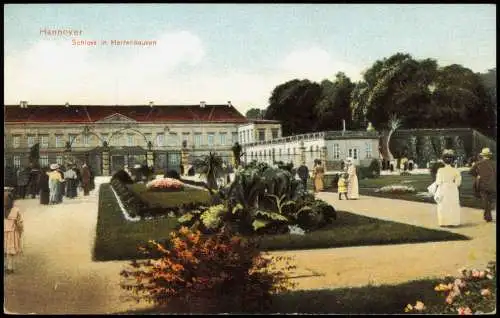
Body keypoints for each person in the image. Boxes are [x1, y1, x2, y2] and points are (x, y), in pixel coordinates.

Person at [435, 149, 462, 227]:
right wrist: (453, 185)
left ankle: (443, 222)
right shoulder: (456, 170)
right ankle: (453, 222)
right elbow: (458, 183)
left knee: (443, 205)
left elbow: (438, 181)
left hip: (443, 188)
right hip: (452, 188)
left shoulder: (440, 170)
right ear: (452, 161)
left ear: (443, 161)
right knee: (453, 205)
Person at [470, 148, 496, 223]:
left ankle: (487, 216)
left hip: (482, 185)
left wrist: (477, 175)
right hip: (492, 184)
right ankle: (488, 215)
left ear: (483, 156)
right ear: (489, 155)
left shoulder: (478, 163)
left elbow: (471, 171)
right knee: (489, 201)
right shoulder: (494, 163)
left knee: (485, 200)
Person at [4, 191, 24, 274]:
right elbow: (20, 223)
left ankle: (8, 266)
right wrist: (20, 231)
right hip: (12, 234)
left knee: (6, 251)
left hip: (5, 232)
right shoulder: (16, 210)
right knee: (10, 252)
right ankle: (10, 267)